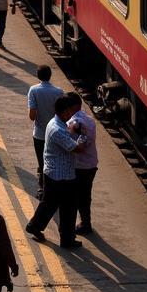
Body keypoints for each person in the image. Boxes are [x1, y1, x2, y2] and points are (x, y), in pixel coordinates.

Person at [25, 96, 87, 249]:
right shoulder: (58, 130)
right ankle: (67, 239)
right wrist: (84, 136)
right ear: (64, 111)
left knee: (50, 204)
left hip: (54, 172)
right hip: (61, 175)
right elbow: (77, 149)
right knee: (68, 207)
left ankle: (35, 226)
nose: (72, 115)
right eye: (70, 112)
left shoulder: (56, 123)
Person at [28, 65, 64, 199]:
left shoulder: (34, 90)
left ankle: (43, 189)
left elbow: (32, 115)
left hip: (39, 134)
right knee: (55, 161)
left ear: (38, 76)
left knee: (42, 162)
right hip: (56, 133)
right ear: (50, 76)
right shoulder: (59, 92)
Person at [66, 92, 98, 235]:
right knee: (86, 195)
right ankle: (86, 222)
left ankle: (85, 224)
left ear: (74, 107)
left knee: (78, 196)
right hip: (91, 163)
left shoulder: (74, 122)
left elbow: (71, 135)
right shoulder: (90, 119)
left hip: (80, 165)